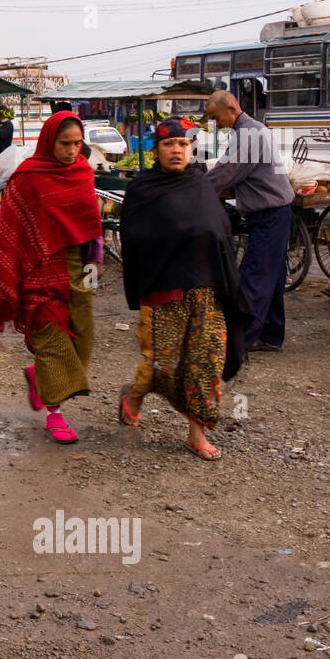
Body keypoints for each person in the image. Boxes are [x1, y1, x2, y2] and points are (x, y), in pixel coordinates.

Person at [116, 118, 254, 461]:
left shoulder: (201, 185)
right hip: (164, 290)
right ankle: (133, 396)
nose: (176, 151)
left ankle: (196, 433)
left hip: (208, 290)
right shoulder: (142, 190)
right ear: (156, 151)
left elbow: (220, 234)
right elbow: (134, 240)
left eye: (182, 144)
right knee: (163, 364)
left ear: (191, 148)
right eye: (168, 145)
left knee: (205, 362)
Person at [0, 111, 101, 444]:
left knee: (83, 340)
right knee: (54, 340)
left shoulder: (82, 173)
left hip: (78, 269)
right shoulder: (29, 178)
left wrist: (97, 261)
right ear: (49, 141)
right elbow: (10, 232)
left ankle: (40, 379)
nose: (72, 150)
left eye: (78, 143)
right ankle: (55, 413)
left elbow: (92, 225)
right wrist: (11, 275)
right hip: (38, 270)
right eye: (65, 143)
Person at [205, 90, 294, 352]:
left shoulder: (249, 135)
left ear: (231, 109)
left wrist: (194, 188)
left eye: (215, 116)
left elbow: (226, 173)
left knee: (254, 277)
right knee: (273, 276)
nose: (215, 123)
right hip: (272, 213)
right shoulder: (248, 131)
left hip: (270, 215)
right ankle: (271, 335)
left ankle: (239, 342)